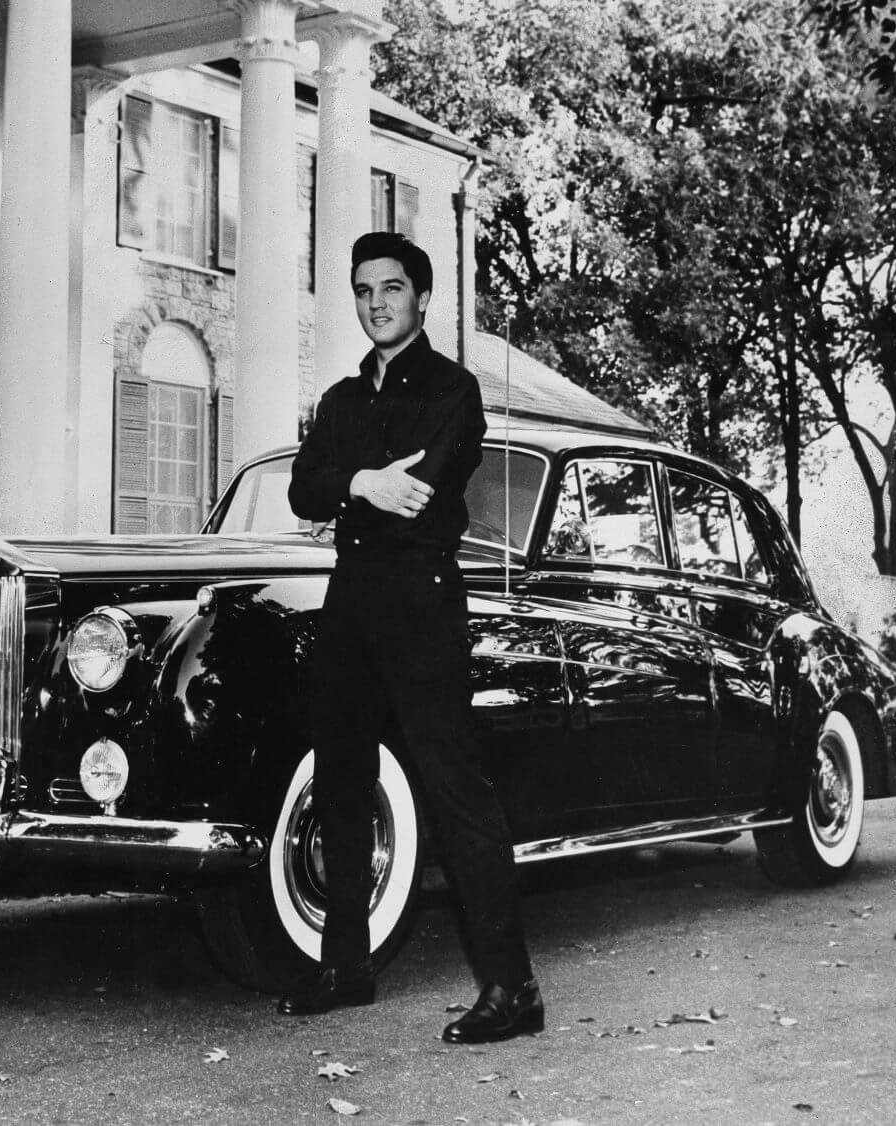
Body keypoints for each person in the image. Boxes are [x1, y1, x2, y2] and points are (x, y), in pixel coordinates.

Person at [280, 231, 543, 1044]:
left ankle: (512, 987)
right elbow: (302, 490)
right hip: (349, 598)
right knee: (342, 782)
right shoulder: (340, 399)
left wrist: (351, 485)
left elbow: (419, 495)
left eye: (391, 288)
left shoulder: (455, 390)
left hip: (421, 599)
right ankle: (346, 967)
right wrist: (362, 479)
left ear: (422, 298)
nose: (376, 303)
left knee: (454, 784)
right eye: (363, 291)